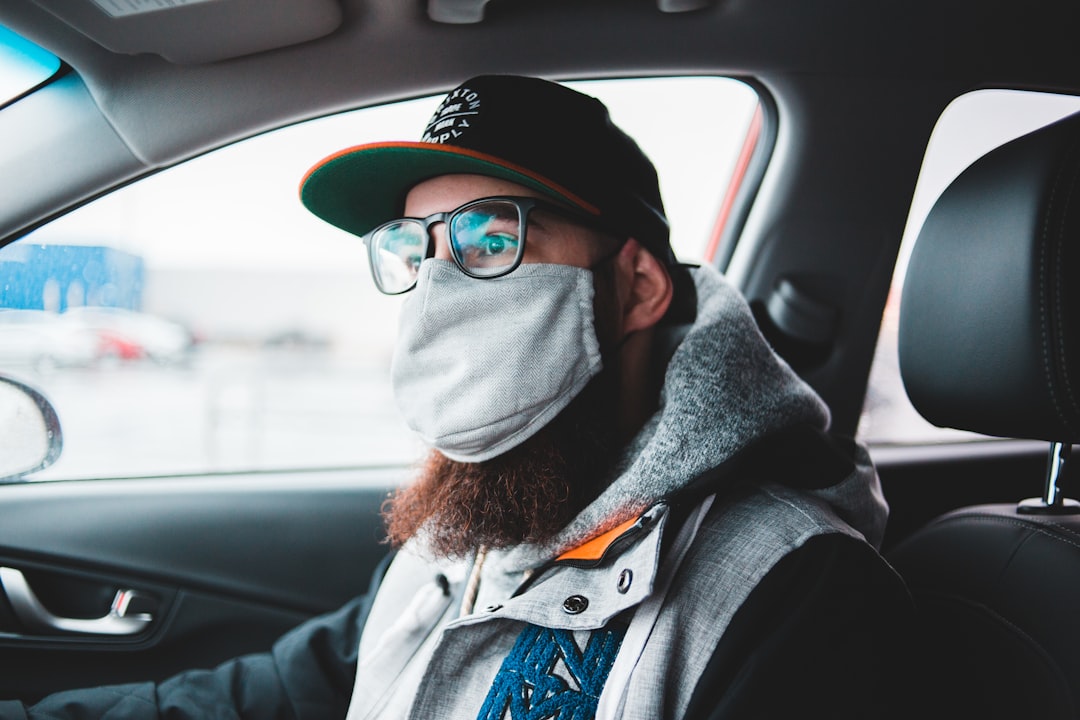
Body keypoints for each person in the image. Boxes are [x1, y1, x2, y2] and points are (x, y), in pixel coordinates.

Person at [0, 74, 911, 719]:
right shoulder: (478, 527)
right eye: (414, 245)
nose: (439, 281)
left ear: (637, 286)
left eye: (489, 235)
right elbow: (280, 693)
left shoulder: (793, 590)